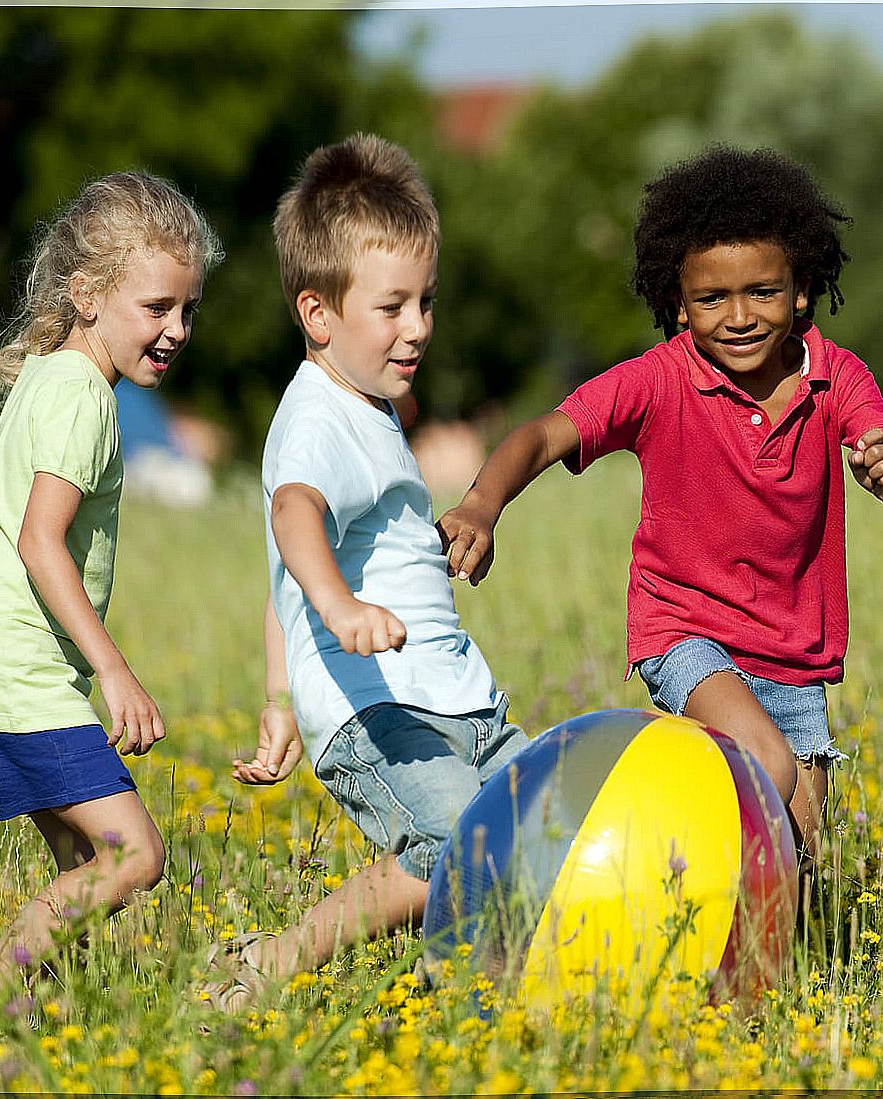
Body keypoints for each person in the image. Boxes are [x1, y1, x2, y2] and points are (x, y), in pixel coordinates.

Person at [438, 146, 883, 857]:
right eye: (711, 298)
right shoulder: (658, 380)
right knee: (764, 761)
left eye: (762, 291)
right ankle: (641, 871)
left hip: (796, 652)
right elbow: (546, 434)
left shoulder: (836, 376)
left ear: (800, 289)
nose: (739, 317)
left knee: (803, 851)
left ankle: (748, 961)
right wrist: (482, 505)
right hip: (685, 630)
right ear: (677, 301)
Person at [203, 134, 528, 1009]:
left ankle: (288, 964)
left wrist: (276, 698)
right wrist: (342, 607)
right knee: (468, 843)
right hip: (376, 709)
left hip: (458, 699)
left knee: (544, 831)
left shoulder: (368, 407)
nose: (418, 326)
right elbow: (293, 520)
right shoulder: (316, 421)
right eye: (393, 307)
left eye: (426, 301)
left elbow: (283, 575)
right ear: (319, 312)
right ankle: (448, 1010)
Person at [0, 171, 223, 990]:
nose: (175, 330)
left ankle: (59, 1020)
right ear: (87, 294)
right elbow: (40, 541)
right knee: (137, 854)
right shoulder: (83, 397)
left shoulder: (51, 378)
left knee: (85, 869)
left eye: (188, 310)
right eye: (156, 308)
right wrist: (114, 669)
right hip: (19, 674)